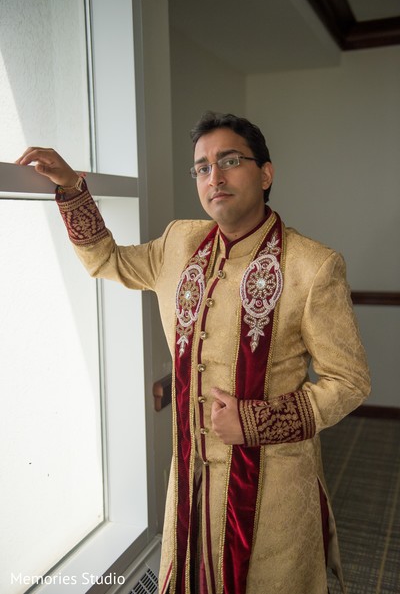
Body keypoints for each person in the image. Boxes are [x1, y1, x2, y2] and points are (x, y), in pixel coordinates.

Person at [16, 112, 370, 594]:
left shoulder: (313, 265)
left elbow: (349, 382)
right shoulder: (180, 242)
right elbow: (108, 260)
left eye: (229, 161)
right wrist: (71, 187)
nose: (214, 177)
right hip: (190, 478)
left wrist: (254, 421)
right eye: (202, 167)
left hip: (274, 488)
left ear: (266, 174)